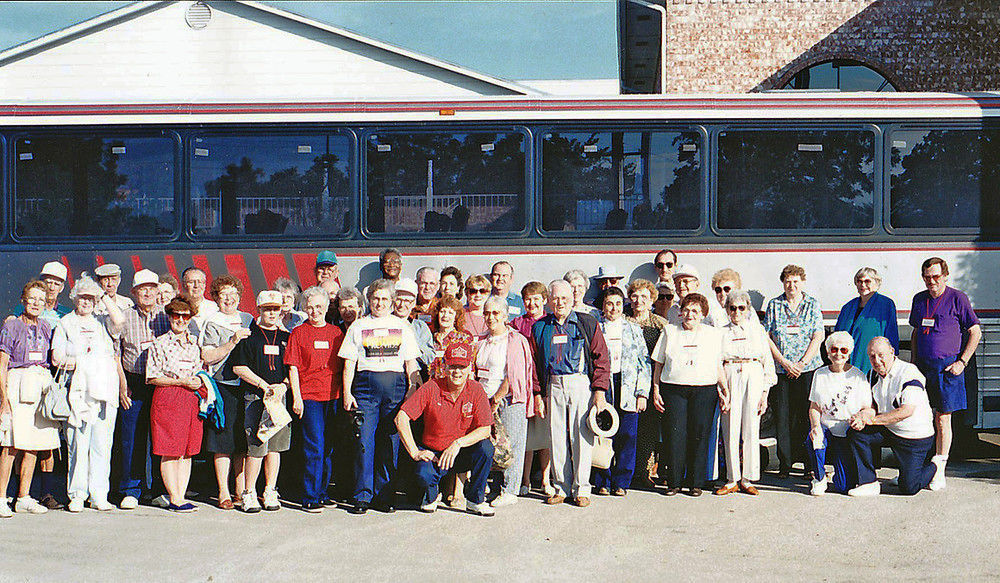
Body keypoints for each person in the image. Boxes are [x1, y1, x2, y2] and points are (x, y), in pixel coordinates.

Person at [339, 279, 420, 514]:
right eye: (375, 298)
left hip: (394, 388)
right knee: (364, 442)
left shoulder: (402, 326)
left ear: (392, 301)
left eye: (385, 299)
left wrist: (412, 389)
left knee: (390, 441)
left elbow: (410, 362)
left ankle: (384, 495)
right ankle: (362, 496)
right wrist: (347, 392)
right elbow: (349, 364)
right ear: (369, 300)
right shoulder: (358, 326)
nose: (380, 303)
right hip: (365, 389)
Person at [530, 279, 610, 507]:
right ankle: (560, 488)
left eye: (564, 298)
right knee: (556, 437)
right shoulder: (540, 327)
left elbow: (601, 358)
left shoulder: (587, 322)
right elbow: (535, 364)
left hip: (579, 383)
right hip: (553, 384)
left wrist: (599, 391)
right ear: (548, 301)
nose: (559, 302)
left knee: (581, 436)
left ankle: (582, 488)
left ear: (572, 298)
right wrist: (538, 394)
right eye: (555, 298)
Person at [52, 276, 126, 513]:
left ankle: (98, 495)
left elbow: (120, 320)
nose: (86, 302)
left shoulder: (102, 322)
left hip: (104, 393)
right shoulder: (65, 323)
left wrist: (102, 294)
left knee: (102, 445)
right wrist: (87, 363)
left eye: (90, 298)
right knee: (77, 444)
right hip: (78, 392)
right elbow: (57, 358)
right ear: (74, 298)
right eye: (82, 297)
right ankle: (77, 495)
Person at [396, 342, 496, 516]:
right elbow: (401, 418)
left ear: (469, 368)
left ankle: (475, 500)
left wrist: (458, 444)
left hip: (461, 452)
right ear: (444, 366)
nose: (457, 372)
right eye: (452, 366)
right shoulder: (431, 387)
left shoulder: (476, 390)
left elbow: (485, 429)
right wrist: (414, 452)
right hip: (434, 453)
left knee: (486, 449)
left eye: (462, 367)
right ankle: (431, 495)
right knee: (423, 473)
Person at [908, 257, 981, 487]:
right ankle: (920, 467)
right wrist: (913, 362)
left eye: (936, 277)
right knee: (920, 416)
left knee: (942, 419)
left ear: (945, 276)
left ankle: (939, 469)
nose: (932, 281)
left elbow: (975, 332)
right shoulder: (919, 299)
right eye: (927, 277)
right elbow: (916, 332)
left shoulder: (958, 298)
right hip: (923, 367)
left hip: (947, 367)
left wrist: (962, 362)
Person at [652, 293, 726, 496]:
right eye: (686, 310)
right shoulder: (669, 331)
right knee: (674, 435)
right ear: (680, 311)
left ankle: (695, 483)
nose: (689, 314)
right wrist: (656, 388)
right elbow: (659, 363)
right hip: (674, 389)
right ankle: (674, 482)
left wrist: (724, 388)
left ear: (702, 314)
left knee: (699, 435)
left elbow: (717, 364)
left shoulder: (713, 334)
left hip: (704, 389)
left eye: (695, 311)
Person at [846, 337, 941, 497]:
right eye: (872, 356)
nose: (877, 361)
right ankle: (869, 483)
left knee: (909, 488)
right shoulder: (872, 375)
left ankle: (935, 466)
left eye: (881, 355)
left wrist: (872, 420)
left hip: (915, 438)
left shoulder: (909, 373)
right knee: (857, 433)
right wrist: (863, 416)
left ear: (892, 352)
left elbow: (906, 411)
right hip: (890, 430)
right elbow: (872, 407)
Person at [0, 281, 61, 516]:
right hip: (17, 383)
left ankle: (23, 497)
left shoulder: (46, 327)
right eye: (32, 298)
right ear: (23, 300)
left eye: (41, 299)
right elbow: (3, 363)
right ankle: (2, 498)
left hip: (40, 385)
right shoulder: (12, 325)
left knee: (34, 444)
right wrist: (3, 399)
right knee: (11, 444)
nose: (36, 303)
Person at [112, 269, 171, 510]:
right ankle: (131, 490)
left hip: (160, 384)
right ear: (134, 292)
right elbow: (115, 354)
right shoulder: (124, 317)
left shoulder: (167, 317)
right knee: (131, 437)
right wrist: (122, 386)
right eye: (141, 288)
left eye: (151, 288)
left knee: (160, 438)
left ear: (158, 291)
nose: (147, 292)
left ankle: (158, 488)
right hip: (133, 383)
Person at [285, 286, 345, 513]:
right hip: (310, 397)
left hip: (333, 396)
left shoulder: (336, 334)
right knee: (315, 446)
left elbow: (344, 366)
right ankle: (309, 496)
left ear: (327, 307)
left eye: (319, 306)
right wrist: (297, 398)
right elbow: (293, 368)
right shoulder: (299, 333)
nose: (314, 311)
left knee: (328, 447)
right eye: (309, 307)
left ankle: (322, 492)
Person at [231, 291, 292, 513]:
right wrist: (263, 385)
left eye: (276, 309)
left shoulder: (287, 338)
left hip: (279, 399)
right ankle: (248, 492)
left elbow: (293, 369)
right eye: (267, 309)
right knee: (256, 447)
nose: (272, 313)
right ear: (259, 310)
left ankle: (269, 490)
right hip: (256, 398)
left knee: (275, 448)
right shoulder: (250, 337)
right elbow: (238, 367)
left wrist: (283, 386)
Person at [764, 264, 824, 478]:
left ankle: (809, 463)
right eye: (788, 281)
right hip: (782, 370)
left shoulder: (812, 304)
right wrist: (785, 363)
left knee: (806, 416)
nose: (792, 285)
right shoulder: (774, 305)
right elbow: (767, 337)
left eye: (796, 281)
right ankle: (785, 463)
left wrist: (800, 364)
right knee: (783, 418)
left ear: (802, 282)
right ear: (783, 282)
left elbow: (818, 335)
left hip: (807, 369)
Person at [199, 274, 253, 510]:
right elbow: (207, 356)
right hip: (223, 386)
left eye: (233, 294)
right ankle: (224, 492)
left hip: (247, 387)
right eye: (223, 295)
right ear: (216, 298)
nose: (229, 299)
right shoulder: (212, 322)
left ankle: (241, 490)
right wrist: (231, 342)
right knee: (222, 441)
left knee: (242, 441)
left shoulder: (249, 319)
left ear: (240, 297)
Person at [146, 296, 204, 512]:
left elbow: (201, 369)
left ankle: (181, 493)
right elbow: (152, 376)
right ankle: (175, 497)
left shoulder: (195, 342)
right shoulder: (159, 343)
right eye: (176, 316)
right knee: (170, 448)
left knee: (187, 450)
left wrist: (199, 380)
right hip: (169, 396)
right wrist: (180, 381)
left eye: (185, 316)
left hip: (191, 398)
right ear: (169, 317)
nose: (180, 320)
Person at [716, 289, 776, 496]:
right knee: (730, 428)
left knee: (751, 428)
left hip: (753, 373)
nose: (736, 312)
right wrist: (722, 389)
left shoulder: (757, 330)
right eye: (732, 308)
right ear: (727, 309)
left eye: (741, 308)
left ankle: (748, 478)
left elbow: (767, 361)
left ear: (748, 309)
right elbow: (716, 362)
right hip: (730, 374)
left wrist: (764, 393)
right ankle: (732, 478)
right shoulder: (721, 332)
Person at [476, 296, 535, 507]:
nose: (491, 317)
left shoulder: (516, 340)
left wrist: (496, 399)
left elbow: (514, 375)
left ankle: (510, 490)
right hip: (484, 400)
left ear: (505, 315)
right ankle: (494, 486)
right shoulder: (481, 340)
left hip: (508, 400)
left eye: (495, 313)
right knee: (491, 445)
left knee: (511, 445)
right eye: (487, 313)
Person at [592, 287, 650, 497]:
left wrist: (642, 393)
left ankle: (622, 482)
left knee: (628, 434)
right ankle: (603, 481)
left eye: (618, 303)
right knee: (603, 433)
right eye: (609, 303)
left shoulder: (633, 329)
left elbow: (644, 362)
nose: (614, 308)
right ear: (603, 306)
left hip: (628, 386)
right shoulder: (596, 328)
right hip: (604, 385)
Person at [806, 331, 870, 496]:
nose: (838, 354)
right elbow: (814, 406)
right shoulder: (819, 374)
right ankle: (819, 478)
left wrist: (861, 419)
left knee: (843, 487)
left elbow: (867, 408)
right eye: (834, 349)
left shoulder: (858, 376)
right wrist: (815, 426)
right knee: (814, 438)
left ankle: (839, 472)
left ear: (849, 353)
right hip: (826, 426)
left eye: (843, 350)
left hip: (846, 430)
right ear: (828, 352)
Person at [511, 281, 554, 497]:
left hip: (544, 382)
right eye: (528, 298)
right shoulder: (517, 323)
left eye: (536, 298)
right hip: (524, 383)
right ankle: (524, 479)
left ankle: (546, 480)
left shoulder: (550, 323)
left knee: (544, 432)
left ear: (544, 300)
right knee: (526, 432)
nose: (532, 303)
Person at [626, 279, 670, 489]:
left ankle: (644, 472)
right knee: (628, 429)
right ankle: (626, 470)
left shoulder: (661, 325)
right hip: (626, 383)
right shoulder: (624, 322)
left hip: (652, 382)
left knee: (649, 429)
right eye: (635, 296)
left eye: (644, 296)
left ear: (652, 299)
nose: (639, 300)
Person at [834, 267, 900, 374]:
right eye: (859, 281)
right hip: (845, 363)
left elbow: (891, 333)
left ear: (877, 283)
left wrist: (891, 361)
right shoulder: (848, 307)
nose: (863, 285)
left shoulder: (885, 304)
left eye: (867, 281)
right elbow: (836, 336)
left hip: (871, 362)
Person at [392, 279, 435, 378]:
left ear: (413, 304)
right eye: (398, 299)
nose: (402, 305)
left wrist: (412, 338)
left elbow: (429, 357)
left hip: (414, 376)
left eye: (407, 301)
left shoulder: (420, 327)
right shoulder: (384, 323)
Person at [12, 261, 72, 329]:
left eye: (56, 284)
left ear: (61, 288)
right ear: (41, 283)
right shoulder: (23, 309)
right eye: (49, 282)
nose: (52, 288)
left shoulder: (67, 314)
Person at [428, 295, 474, 380]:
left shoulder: (463, 339)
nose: (445, 316)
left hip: (453, 386)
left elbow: (470, 370)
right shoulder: (430, 338)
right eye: (443, 311)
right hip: (432, 386)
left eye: (450, 313)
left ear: (456, 317)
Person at [180, 267, 218, 339]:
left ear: (204, 285)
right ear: (184, 285)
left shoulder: (215, 309)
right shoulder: (176, 309)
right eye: (191, 282)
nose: (196, 286)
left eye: (200, 282)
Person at [463, 274, 491, 341]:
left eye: (482, 291)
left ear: (488, 294)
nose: (478, 295)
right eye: (473, 291)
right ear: (467, 294)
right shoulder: (459, 314)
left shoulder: (494, 315)